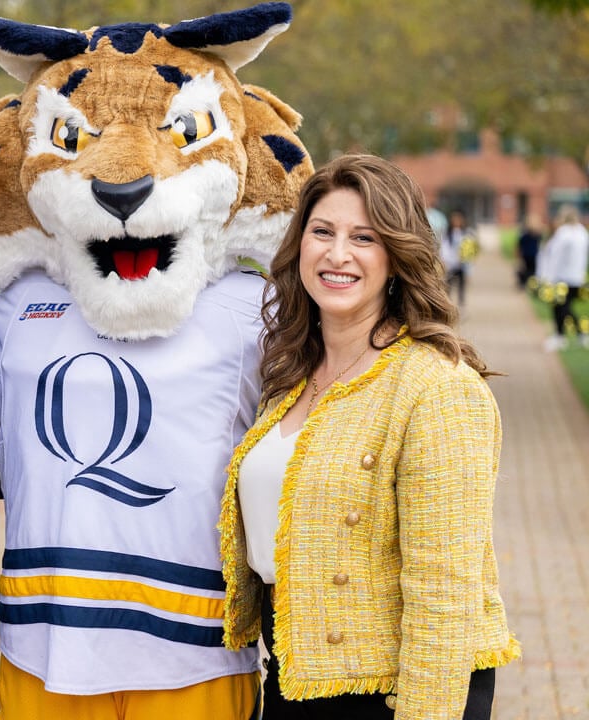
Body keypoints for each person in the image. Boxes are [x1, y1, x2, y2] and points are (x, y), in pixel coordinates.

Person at [219, 154, 520, 719]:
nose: (338, 255)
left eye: (364, 237)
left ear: (397, 256)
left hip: (391, 688)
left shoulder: (437, 386)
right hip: (294, 670)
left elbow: (445, 597)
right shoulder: (290, 373)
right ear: (299, 245)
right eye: (322, 232)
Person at [536, 204, 589, 351]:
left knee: (561, 308)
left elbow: (555, 257)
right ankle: (571, 335)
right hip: (576, 277)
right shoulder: (582, 232)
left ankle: (563, 336)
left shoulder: (563, 232)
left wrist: (547, 277)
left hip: (561, 278)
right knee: (566, 307)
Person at [439, 209, 476, 309]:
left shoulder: (466, 233)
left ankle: (461, 305)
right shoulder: (447, 234)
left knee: (461, 287)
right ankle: (448, 306)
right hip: (450, 265)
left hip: (462, 265)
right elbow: (443, 250)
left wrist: (469, 270)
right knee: (448, 287)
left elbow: (470, 252)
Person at [515, 212, 544, 291]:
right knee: (531, 271)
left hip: (528, 255)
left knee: (528, 271)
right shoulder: (537, 235)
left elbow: (520, 245)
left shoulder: (526, 234)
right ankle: (531, 286)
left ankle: (526, 284)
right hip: (532, 255)